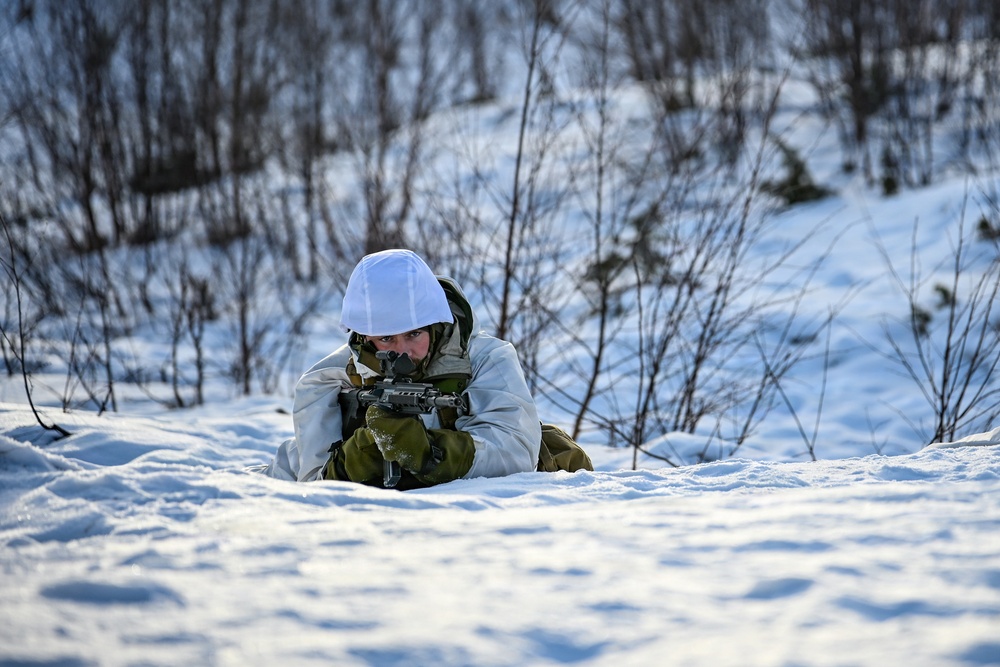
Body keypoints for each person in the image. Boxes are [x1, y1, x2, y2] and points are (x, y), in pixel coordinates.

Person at [259, 248, 542, 488]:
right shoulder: (329, 379)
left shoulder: (487, 359)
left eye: (414, 334)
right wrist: (354, 459)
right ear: (363, 337)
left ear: (435, 324)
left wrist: (432, 453)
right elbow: (309, 483)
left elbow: (516, 454)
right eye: (385, 339)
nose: (402, 351)